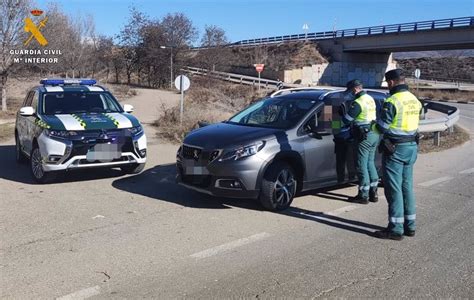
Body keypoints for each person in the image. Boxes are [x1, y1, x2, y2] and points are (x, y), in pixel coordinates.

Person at [374, 69, 422, 240]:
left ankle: (395, 229)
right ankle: (410, 226)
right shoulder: (414, 99)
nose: (388, 86)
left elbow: (382, 127)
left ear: (392, 82)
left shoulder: (392, 101)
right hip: (411, 147)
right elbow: (420, 118)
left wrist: (374, 123)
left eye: (388, 83)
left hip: (395, 149)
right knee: (406, 187)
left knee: (394, 189)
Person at [342, 79, 379, 204]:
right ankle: (373, 192)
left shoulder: (357, 102)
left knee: (361, 164)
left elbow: (347, 120)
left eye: (351, 91)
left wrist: (338, 119)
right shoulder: (370, 98)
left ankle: (363, 195)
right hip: (374, 134)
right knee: (370, 162)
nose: (350, 93)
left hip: (364, 136)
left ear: (355, 89)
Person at [332, 94, 356, 183]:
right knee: (346, 160)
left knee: (344, 160)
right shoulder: (347, 105)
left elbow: (334, 127)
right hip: (344, 138)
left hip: (345, 138)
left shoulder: (335, 112)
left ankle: (345, 178)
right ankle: (346, 178)